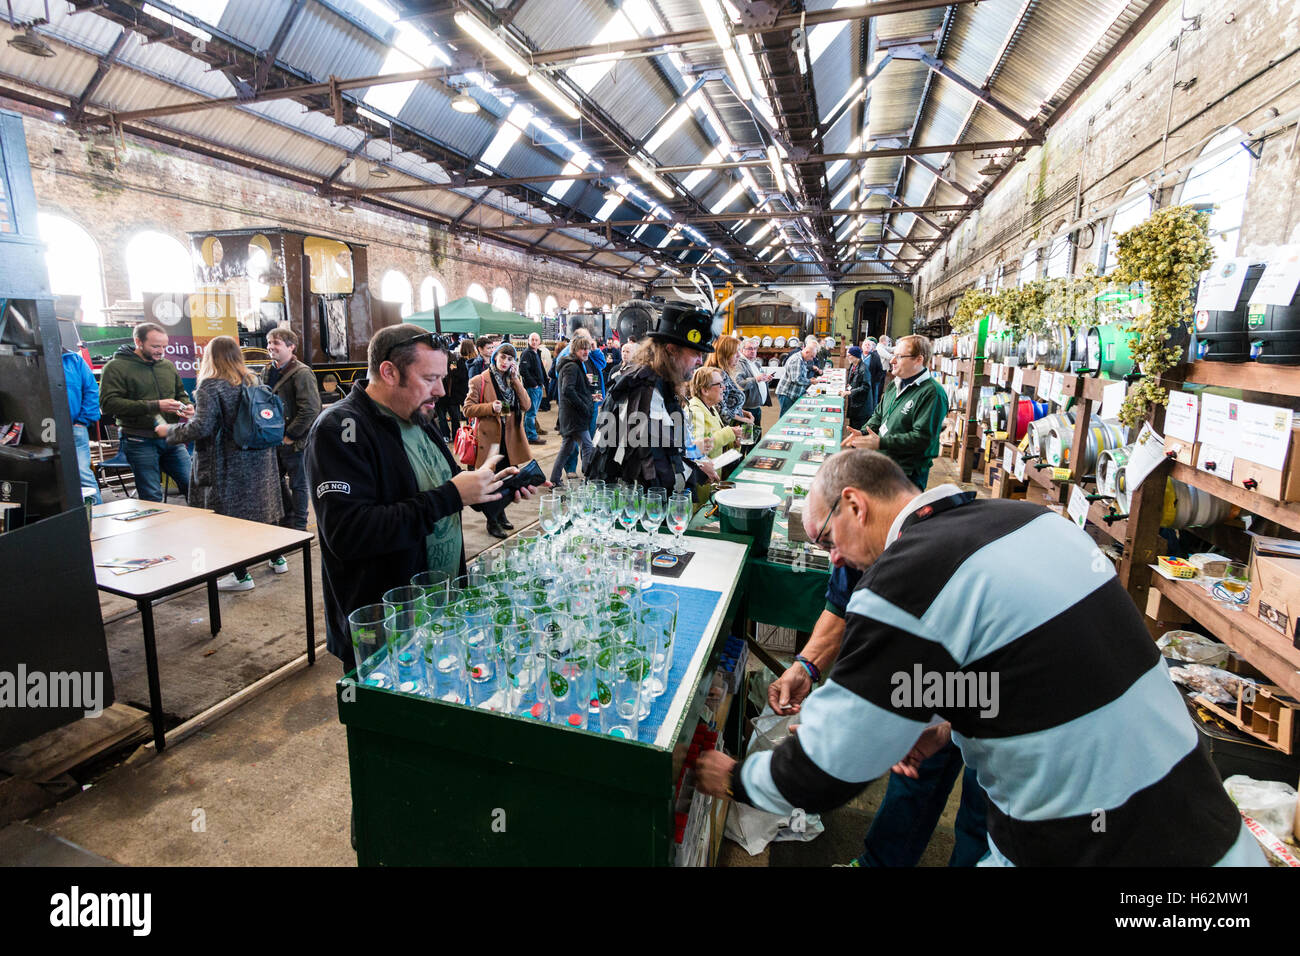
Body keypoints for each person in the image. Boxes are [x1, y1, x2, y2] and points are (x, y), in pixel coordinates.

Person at [695, 449, 1266, 867]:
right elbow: (1035, 666)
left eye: (827, 540)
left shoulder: (908, 578)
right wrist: (945, 721)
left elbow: (831, 765)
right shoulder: (1033, 522)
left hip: (1095, 847)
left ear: (854, 504)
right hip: (1208, 833)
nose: (835, 558)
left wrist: (739, 778)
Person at [306, 324, 538, 675]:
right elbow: (349, 534)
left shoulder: (418, 416)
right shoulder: (340, 430)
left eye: (442, 378)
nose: (441, 391)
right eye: (430, 378)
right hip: (385, 631)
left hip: (442, 613)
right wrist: (452, 495)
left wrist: (496, 492)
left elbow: (442, 487)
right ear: (388, 372)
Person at [768, 560, 990, 867]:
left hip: (1007, 677)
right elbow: (841, 604)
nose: (833, 558)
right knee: (915, 767)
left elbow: (998, 685)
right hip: (940, 676)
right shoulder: (849, 544)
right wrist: (807, 665)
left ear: (860, 510)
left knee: (986, 813)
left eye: (830, 541)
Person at [156, 336, 283, 592]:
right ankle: (277, 559)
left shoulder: (210, 385)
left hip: (229, 462)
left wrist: (169, 431)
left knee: (228, 518)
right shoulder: (252, 379)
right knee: (262, 509)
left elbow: (203, 427)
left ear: (209, 357)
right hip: (259, 458)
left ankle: (240, 575)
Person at [589, 301, 719, 489]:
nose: (700, 361)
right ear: (671, 350)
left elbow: (665, 447)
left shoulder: (660, 383)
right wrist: (696, 471)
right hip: (630, 500)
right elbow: (647, 462)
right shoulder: (644, 387)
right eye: (696, 353)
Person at [99, 322, 194, 502]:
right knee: (151, 495)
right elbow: (108, 404)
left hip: (171, 437)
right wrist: (155, 405)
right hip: (138, 439)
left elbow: (180, 393)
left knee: (194, 486)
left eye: (164, 346)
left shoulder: (167, 366)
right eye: (155, 346)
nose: (161, 351)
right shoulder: (115, 367)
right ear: (138, 342)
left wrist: (186, 405)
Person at [842, 334, 947, 490]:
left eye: (899, 357)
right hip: (885, 463)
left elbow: (923, 439)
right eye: (893, 356)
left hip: (907, 474)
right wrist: (864, 432)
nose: (892, 361)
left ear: (918, 360)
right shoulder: (894, 385)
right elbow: (879, 415)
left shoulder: (932, 393)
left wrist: (881, 442)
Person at [261, 327, 322, 568]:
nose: (271, 347)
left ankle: (299, 526)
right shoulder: (268, 371)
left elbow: (310, 409)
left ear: (291, 347)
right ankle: (287, 521)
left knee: (298, 484)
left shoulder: (301, 373)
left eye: (276, 343)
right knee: (276, 483)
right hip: (272, 441)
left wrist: (290, 435)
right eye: (269, 342)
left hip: (294, 442)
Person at [463, 342, 533, 539]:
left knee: (507, 480)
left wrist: (516, 380)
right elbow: (467, 409)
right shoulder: (479, 380)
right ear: (495, 356)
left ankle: (500, 514)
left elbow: (526, 405)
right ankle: (492, 521)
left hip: (509, 439)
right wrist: (488, 407)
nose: (505, 362)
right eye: (502, 357)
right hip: (489, 440)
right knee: (489, 481)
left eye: (510, 359)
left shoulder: (513, 379)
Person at [550, 335, 598, 485]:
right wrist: (583, 406)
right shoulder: (571, 366)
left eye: (587, 349)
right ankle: (590, 479)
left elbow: (572, 389)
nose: (586, 352)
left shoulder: (573, 364)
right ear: (575, 350)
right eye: (582, 349)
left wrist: (588, 397)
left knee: (567, 449)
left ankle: (554, 479)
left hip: (570, 416)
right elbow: (568, 390)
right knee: (587, 446)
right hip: (574, 417)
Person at [63, 344, 102, 505]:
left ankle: (97, 514)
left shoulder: (73, 360)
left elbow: (92, 390)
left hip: (74, 427)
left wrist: (82, 421)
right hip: (40, 427)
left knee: (82, 474)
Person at [702, 336, 754, 431]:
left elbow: (727, 403)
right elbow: (720, 410)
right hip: (729, 431)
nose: (739, 355)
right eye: (735, 352)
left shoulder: (721, 372)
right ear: (725, 354)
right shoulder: (719, 376)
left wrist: (742, 411)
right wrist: (744, 420)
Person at [734, 337, 774, 431]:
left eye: (755, 348)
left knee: (756, 433)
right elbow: (740, 384)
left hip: (757, 406)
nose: (753, 351)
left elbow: (759, 380)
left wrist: (766, 379)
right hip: (747, 409)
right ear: (742, 350)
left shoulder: (755, 363)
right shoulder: (740, 363)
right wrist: (756, 379)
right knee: (747, 437)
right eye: (750, 348)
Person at [776, 336, 822, 416]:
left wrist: (809, 379)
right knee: (785, 418)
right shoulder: (797, 360)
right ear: (807, 352)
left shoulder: (803, 359)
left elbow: (800, 375)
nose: (812, 359)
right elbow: (796, 379)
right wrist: (810, 381)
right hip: (787, 394)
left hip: (792, 393)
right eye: (811, 356)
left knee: (791, 416)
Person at [519, 332, 548, 444]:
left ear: (539, 341)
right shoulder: (526, 353)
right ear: (528, 341)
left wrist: (544, 381)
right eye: (532, 340)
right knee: (531, 413)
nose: (534, 342)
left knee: (532, 413)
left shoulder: (536, 353)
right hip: (532, 388)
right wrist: (534, 384)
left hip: (538, 387)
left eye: (536, 340)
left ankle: (529, 434)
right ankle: (531, 436)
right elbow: (523, 370)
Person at [843, 345, 874, 430]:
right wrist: (848, 388)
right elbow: (852, 382)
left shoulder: (864, 369)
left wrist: (850, 392)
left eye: (849, 355)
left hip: (862, 406)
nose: (847, 357)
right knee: (852, 426)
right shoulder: (853, 365)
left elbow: (866, 387)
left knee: (858, 428)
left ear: (856, 356)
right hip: (854, 403)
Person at [863, 337, 886, 409]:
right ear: (862, 346)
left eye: (869, 345)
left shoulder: (875, 356)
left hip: (871, 382)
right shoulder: (859, 356)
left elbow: (880, 370)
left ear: (872, 347)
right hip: (860, 381)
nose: (867, 346)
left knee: (871, 398)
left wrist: (875, 381)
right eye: (865, 345)